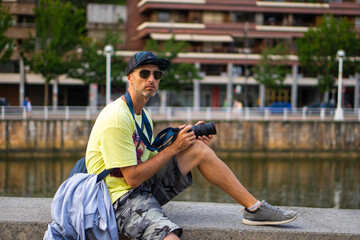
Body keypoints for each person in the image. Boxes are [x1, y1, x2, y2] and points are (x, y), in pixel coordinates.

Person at [85, 51, 297, 240]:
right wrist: (173, 149)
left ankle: (254, 208)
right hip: (114, 200)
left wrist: (182, 140)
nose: (151, 79)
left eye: (157, 75)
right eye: (144, 74)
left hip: (139, 187)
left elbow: (149, 159)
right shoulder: (117, 116)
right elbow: (131, 178)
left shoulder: (142, 115)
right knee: (169, 236)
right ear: (130, 77)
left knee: (197, 149)